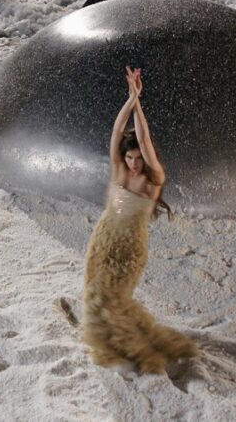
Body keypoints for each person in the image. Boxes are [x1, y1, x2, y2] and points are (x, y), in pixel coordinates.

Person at [80, 66, 197, 374]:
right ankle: (117, 347)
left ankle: (133, 353)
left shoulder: (152, 180)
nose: (133, 163)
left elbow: (143, 139)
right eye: (129, 158)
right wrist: (130, 98)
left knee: (110, 299)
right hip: (103, 239)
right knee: (94, 291)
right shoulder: (119, 170)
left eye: (137, 159)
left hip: (128, 248)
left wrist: (140, 104)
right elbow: (117, 132)